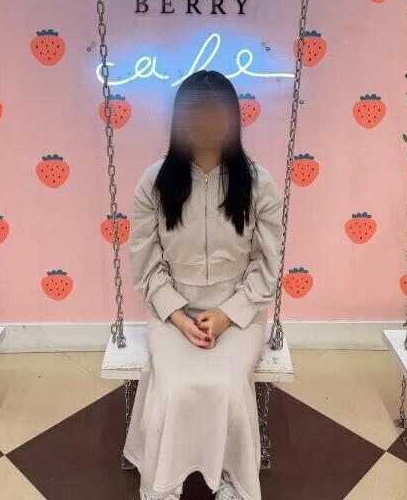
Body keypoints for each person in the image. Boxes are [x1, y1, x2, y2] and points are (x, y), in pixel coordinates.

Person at [123, 70, 284, 500]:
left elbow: (267, 265)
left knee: (226, 387)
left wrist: (228, 315)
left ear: (233, 119)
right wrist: (178, 316)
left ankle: (231, 478)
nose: (207, 124)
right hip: (171, 312)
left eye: (217, 114)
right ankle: (162, 485)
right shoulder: (154, 183)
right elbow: (146, 264)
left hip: (239, 312)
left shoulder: (259, 183)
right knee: (174, 388)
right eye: (196, 114)